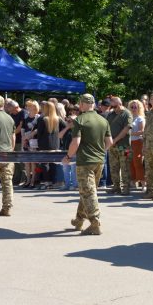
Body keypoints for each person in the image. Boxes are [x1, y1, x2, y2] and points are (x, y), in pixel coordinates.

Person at [62, 93, 112, 235]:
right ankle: (79, 220)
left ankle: (95, 222)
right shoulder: (103, 120)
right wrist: (100, 152)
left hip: (85, 162)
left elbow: (76, 142)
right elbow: (109, 142)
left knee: (88, 192)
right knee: (87, 191)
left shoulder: (80, 120)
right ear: (94, 104)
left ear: (82, 104)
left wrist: (68, 156)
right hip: (99, 161)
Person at [106, 96, 133, 195]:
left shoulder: (127, 114)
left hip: (124, 146)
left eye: (114, 104)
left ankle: (126, 188)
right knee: (114, 167)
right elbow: (106, 127)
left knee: (125, 166)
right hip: (113, 146)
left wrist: (115, 140)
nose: (112, 106)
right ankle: (116, 187)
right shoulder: (111, 114)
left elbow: (126, 129)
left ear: (119, 104)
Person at [36, 101, 66, 189]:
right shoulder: (58, 119)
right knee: (53, 163)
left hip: (44, 144)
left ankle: (46, 182)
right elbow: (66, 127)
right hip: (55, 144)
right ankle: (54, 181)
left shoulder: (42, 119)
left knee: (45, 164)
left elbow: (39, 133)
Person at [21, 100, 40, 188]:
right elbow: (22, 129)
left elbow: (38, 130)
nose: (27, 107)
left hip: (34, 142)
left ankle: (33, 180)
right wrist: (24, 139)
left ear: (34, 107)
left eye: (29, 106)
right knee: (26, 162)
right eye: (27, 106)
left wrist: (29, 137)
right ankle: (28, 180)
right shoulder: (25, 117)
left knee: (33, 162)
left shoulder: (38, 117)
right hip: (25, 141)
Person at [129, 99, 146, 190]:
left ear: (139, 108)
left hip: (137, 142)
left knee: (137, 162)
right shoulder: (129, 117)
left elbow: (142, 131)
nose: (133, 108)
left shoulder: (140, 118)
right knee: (130, 162)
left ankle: (143, 182)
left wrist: (130, 133)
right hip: (129, 143)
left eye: (135, 107)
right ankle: (134, 181)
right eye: (132, 107)